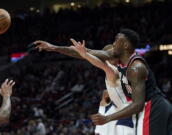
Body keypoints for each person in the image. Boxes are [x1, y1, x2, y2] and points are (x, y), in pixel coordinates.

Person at [33, 28, 172, 135]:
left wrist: (108, 118)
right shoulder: (115, 57)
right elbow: (84, 53)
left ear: (125, 46)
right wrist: (54, 47)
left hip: (154, 107)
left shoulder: (136, 68)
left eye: (116, 40)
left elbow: (137, 105)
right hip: (148, 108)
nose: (112, 43)